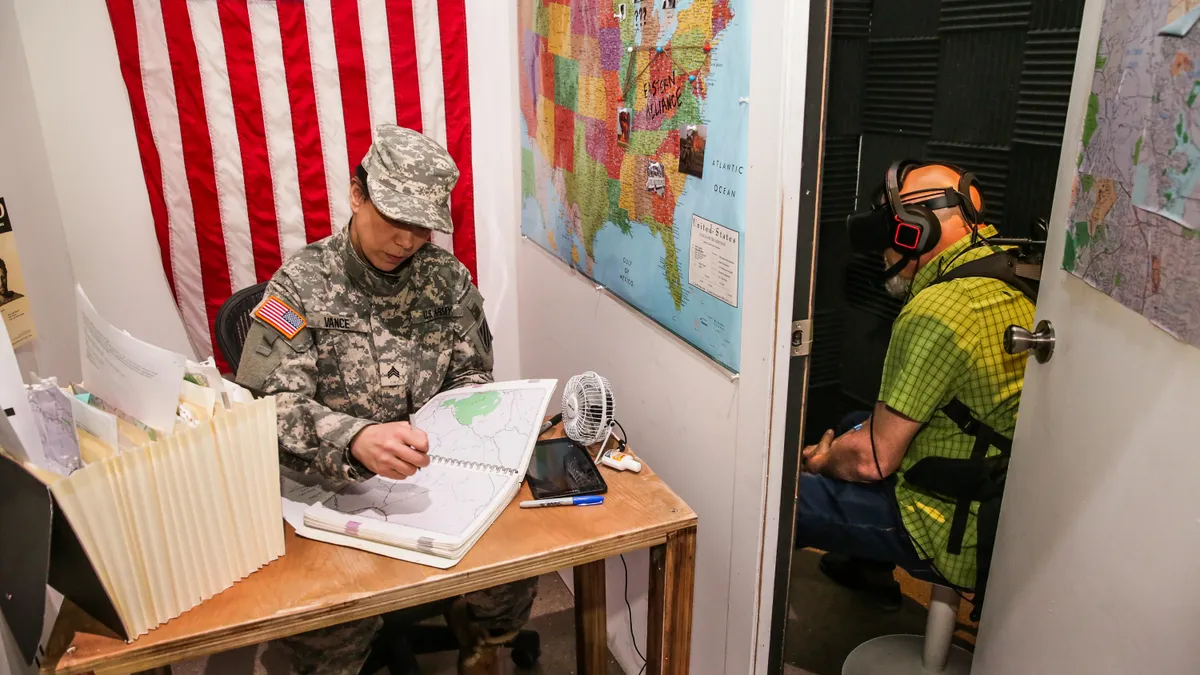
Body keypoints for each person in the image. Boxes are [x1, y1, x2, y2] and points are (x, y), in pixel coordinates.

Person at [236, 124, 536, 675]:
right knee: (329, 628)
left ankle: (487, 641)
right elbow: (266, 406)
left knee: (517, 559)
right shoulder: (298, 286)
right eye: (396, 221)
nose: (408, 241)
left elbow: (473, 374)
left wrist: (457, 424)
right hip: (329, 484)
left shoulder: (446, 280)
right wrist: (354, 439)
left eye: (422, 228)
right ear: (358, 195)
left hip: (431, 474)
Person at [795, 161, 1035, 614]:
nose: (884, 250)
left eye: (890, 231)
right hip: (987, 481)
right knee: (853, 422)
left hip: (944, 522)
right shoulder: (1007, 270)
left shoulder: (940, 308)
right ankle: (865, 570)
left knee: (784, 499)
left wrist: (823, 462)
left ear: (915, 231)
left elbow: (871, 461)